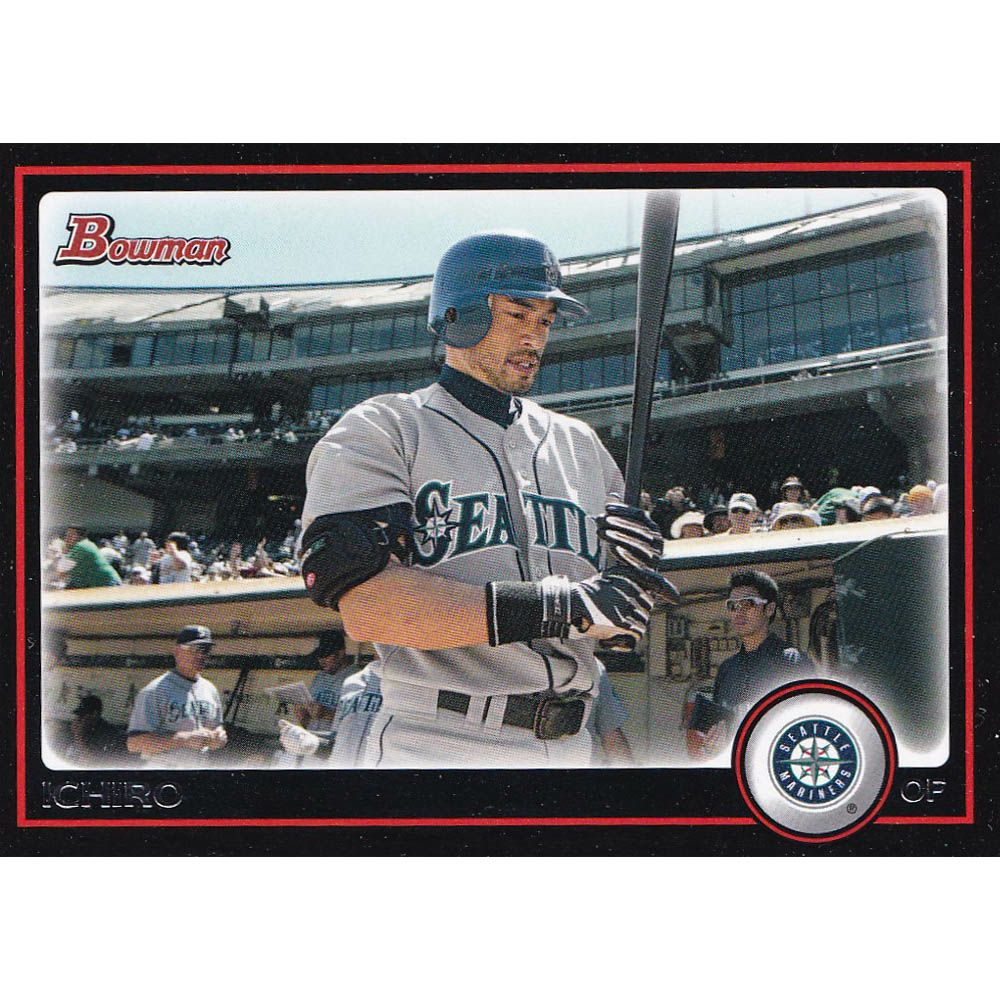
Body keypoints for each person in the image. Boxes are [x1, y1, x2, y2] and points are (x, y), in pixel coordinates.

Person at [299, 230, 677, 768]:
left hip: (573, 744)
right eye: (518, 314)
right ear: (459, 315)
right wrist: (565, 606)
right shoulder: (385, 428)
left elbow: (612, 612)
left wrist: (628, 584)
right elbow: (367, 608)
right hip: (435, 742)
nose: (535, 337)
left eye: (545, 320)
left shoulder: (582, 446)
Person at [688, 569, 813, 756]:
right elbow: (721, 727)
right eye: (732, 605)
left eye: (748, 603)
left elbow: (806, 723)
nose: (739, 612)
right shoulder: (727, 669)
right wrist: (716, 739)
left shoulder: (792, 661)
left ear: (769, 609)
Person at [126, 625, 227, 765]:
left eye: (205, 649)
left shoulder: (210, 689)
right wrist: (183, 739)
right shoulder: (155, 690)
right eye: (194, 649)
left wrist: (219, 736)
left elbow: (217, 727)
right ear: (177, 651)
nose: (201, 655)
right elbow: (134, 744)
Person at [294, 630, 354, 731]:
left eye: (326, 655)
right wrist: (303, 716)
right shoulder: (319, 677)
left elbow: (357, 719)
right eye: (319, 656)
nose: (321, 660)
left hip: (338, 739)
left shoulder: (356, 677)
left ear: (340, 653)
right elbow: (311, 717)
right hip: (314, 737)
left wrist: (325, 713)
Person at [65, 694, 126, 766]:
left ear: (94, 714)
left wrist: (78, 736)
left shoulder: (109, 734)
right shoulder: (85, 729)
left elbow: (92, 763)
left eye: (82, 716)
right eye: (78, 716)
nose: (79, 719)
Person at [57, 526, 122, 588]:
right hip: (106, 584)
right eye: (67, 535)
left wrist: (64, 552)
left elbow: (61, 570)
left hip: (108, 584)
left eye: (71, 535)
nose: (67, 538)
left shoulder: (81, 546)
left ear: (79, 536)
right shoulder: (85, 544)